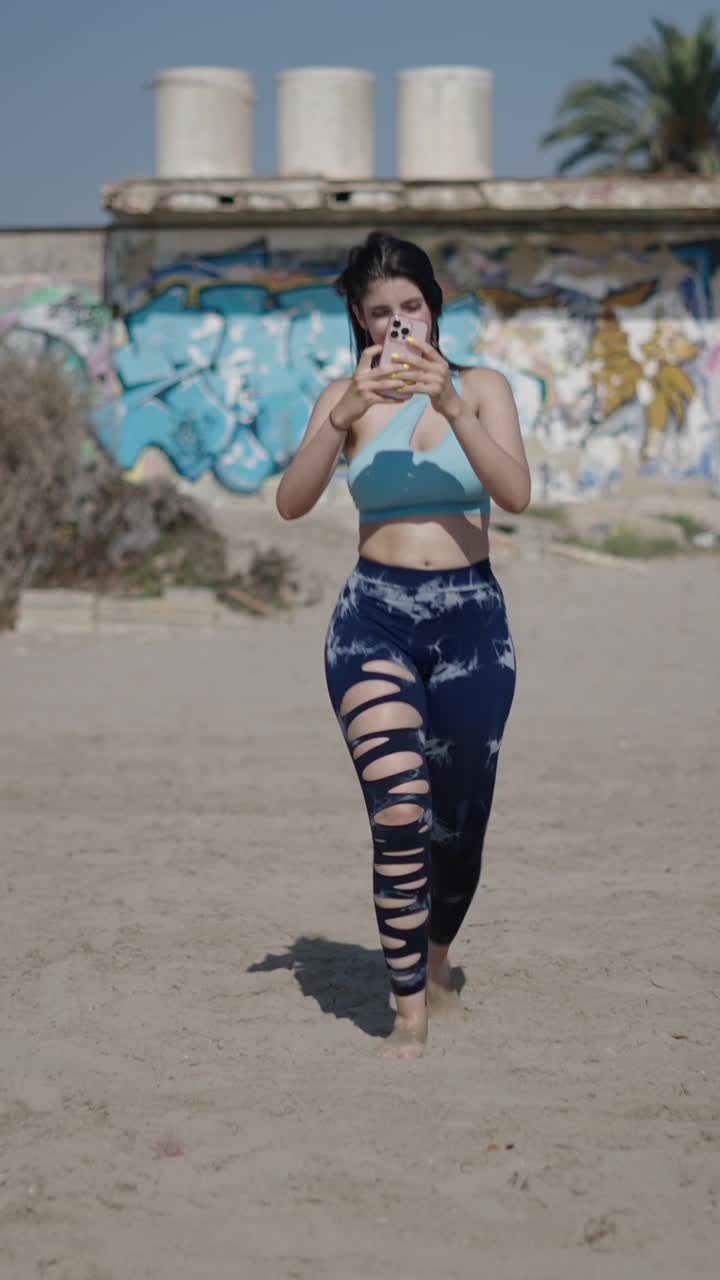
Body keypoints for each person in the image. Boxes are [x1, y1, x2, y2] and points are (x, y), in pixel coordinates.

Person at [276, 231, 530, 1060]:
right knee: (399, 812)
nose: (397, 326)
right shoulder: (341, 398)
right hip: (373, 619)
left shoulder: (483, 387)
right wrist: (344, 415)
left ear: (433, 308)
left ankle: (438, 957)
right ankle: (408, 1009)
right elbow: (292, 501)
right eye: (380, 312)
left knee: (459, 822)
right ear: (359, 317)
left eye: (410, 308)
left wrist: (451, 405)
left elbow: (517, 494)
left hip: (471, 620)